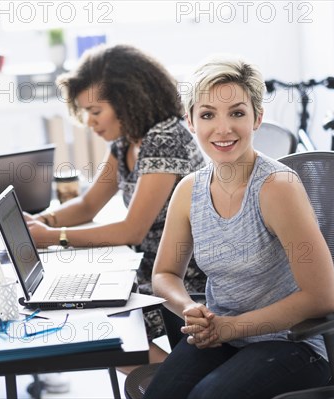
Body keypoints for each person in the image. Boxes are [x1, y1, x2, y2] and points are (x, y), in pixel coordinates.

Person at [144, 56, 334, 398]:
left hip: (293, 342)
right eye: (207, 115)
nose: (223, 129)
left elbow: (322, 297)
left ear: (257, 118)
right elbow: (164, 275)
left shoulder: (277, 187)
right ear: (190, 121)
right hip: (224, 334)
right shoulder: (189, 190)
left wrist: (229, 328)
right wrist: (188, 307)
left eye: (236, 113)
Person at [25, 44, 206, 362]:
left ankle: (175, 384)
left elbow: (131, 231)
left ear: (128, 101)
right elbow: (87, 205)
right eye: (86, 113)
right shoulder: (126, 142)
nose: (90, 122)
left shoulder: (164, 139)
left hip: (184, 276)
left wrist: (54, 238)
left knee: (99, 328)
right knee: (78, 307)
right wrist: (44, 222)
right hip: (149, 266)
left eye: (95, 111)